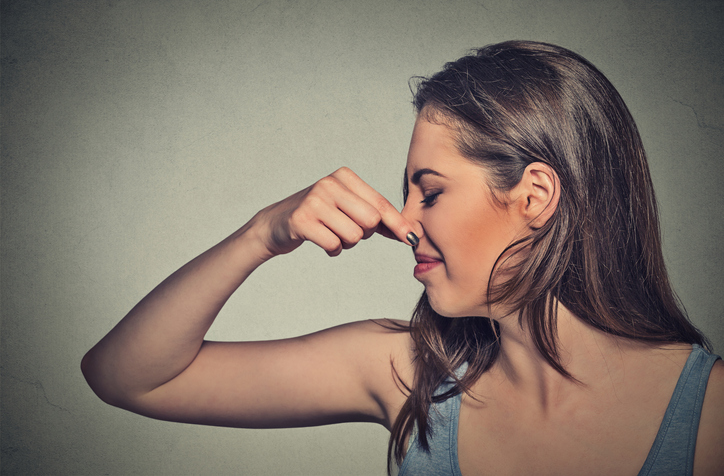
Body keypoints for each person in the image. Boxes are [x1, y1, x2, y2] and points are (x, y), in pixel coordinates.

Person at [81, 41, 723, 475]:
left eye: (431, 191)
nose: (402, 221)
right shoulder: (409, 373)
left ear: (535, 194)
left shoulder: (709, 412)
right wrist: (263, 234)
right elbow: (126, 377)